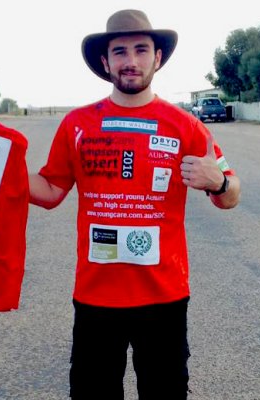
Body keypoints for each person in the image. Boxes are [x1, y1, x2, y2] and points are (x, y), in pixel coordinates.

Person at [29, 9, 241, 400]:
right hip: (96, 298)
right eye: (120, 51)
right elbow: (50, 189)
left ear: (157, 58)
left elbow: (231, 194)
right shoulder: (78, 124)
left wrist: (219, 182)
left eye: (141, 50)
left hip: (164, 297)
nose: (131, 61)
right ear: (105, 61)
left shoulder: (187, 126)